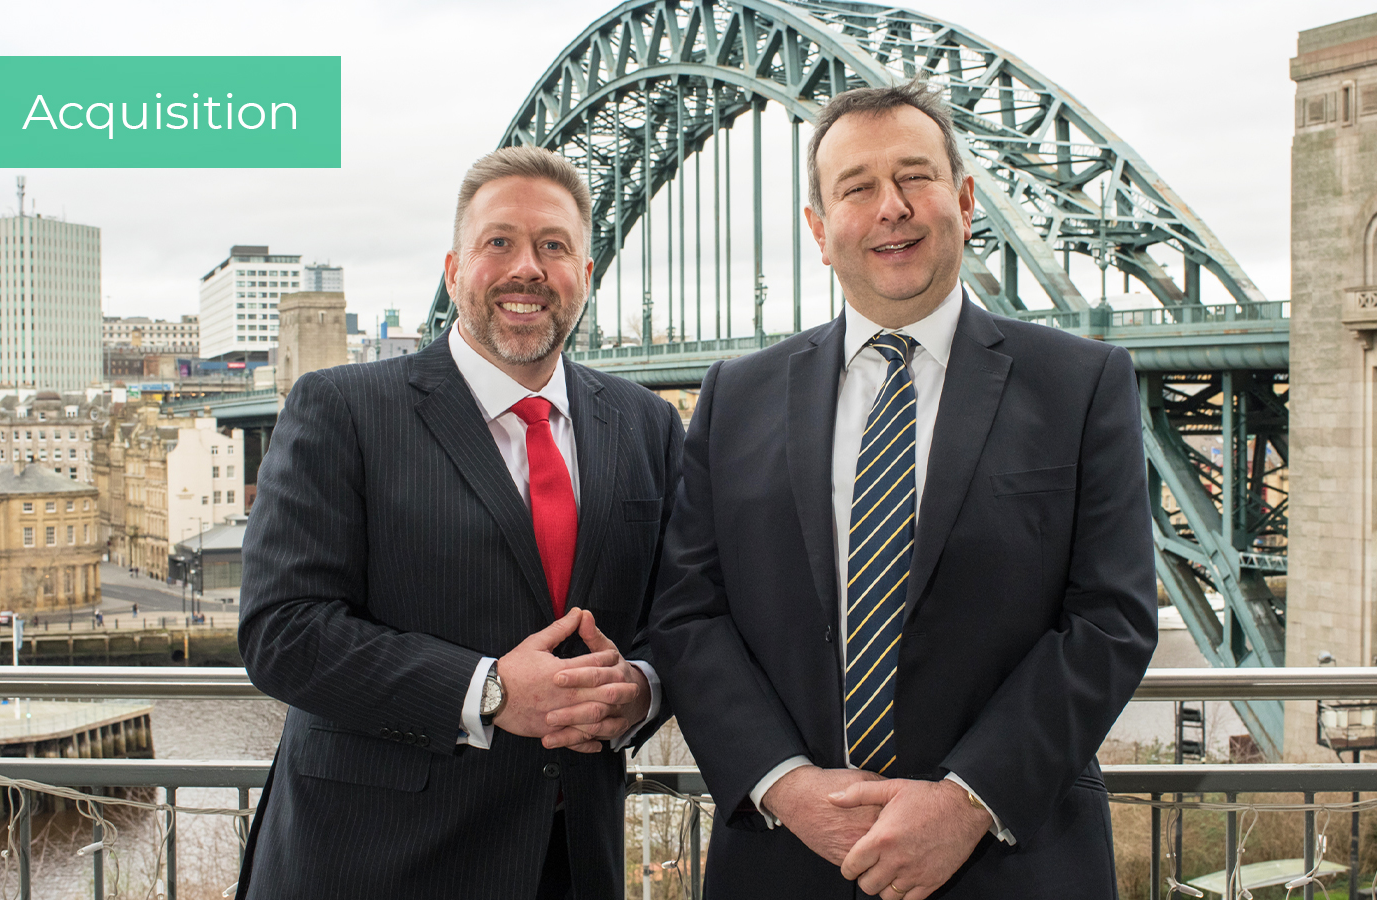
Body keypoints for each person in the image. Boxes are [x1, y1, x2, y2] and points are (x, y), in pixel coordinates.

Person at [649, 81, 1157, 899]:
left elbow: (1111, 617)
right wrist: (784, 784)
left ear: (961, 199)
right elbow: (688, 613)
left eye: (915, 177)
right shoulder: (735, 393)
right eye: (856, 187)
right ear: (820, 230)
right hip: (788, 859)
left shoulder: (1080, 381)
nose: (891, 208)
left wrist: (964, 804)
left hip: (1012, 859)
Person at [236, 145, 683, 899]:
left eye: (554, 247)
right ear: (454, 271)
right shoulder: (342, 409)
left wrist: (641, 689)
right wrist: (491, 691)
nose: (527, 270)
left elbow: (683, 616)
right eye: (498, 242)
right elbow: (282, 633)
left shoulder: (647, 424)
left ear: (587, 275)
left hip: (570, 860)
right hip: (371, 863)